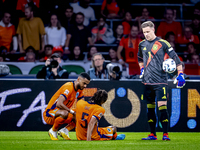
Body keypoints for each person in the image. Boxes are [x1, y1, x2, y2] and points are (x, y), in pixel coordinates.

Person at [138, 21, 186, 141]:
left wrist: (180, 74)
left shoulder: (163, 43)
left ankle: (165, 134)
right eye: (144, 32)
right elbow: (139, 58)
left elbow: (176, 58)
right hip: (147, 82)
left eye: (148, 32)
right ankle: (152, 134)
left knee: (162, 107)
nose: (146, 34)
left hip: (161, 82)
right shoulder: (142, 44)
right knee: (150, 108)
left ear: (153, 30)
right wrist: (142, 68)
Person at [43, 72, 91, 140]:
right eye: (84, 83)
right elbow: (59, 104)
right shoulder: (68, 87)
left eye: (87, 84)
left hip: (62, 112)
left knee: (81, 114)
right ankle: (53, 131)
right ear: (78, 79)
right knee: (65, 113)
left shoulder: (79, 90)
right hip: (49, 114)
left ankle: (65, 130)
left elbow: (82, 104)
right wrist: (72, 112)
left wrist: (89, 109)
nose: (85, 86)